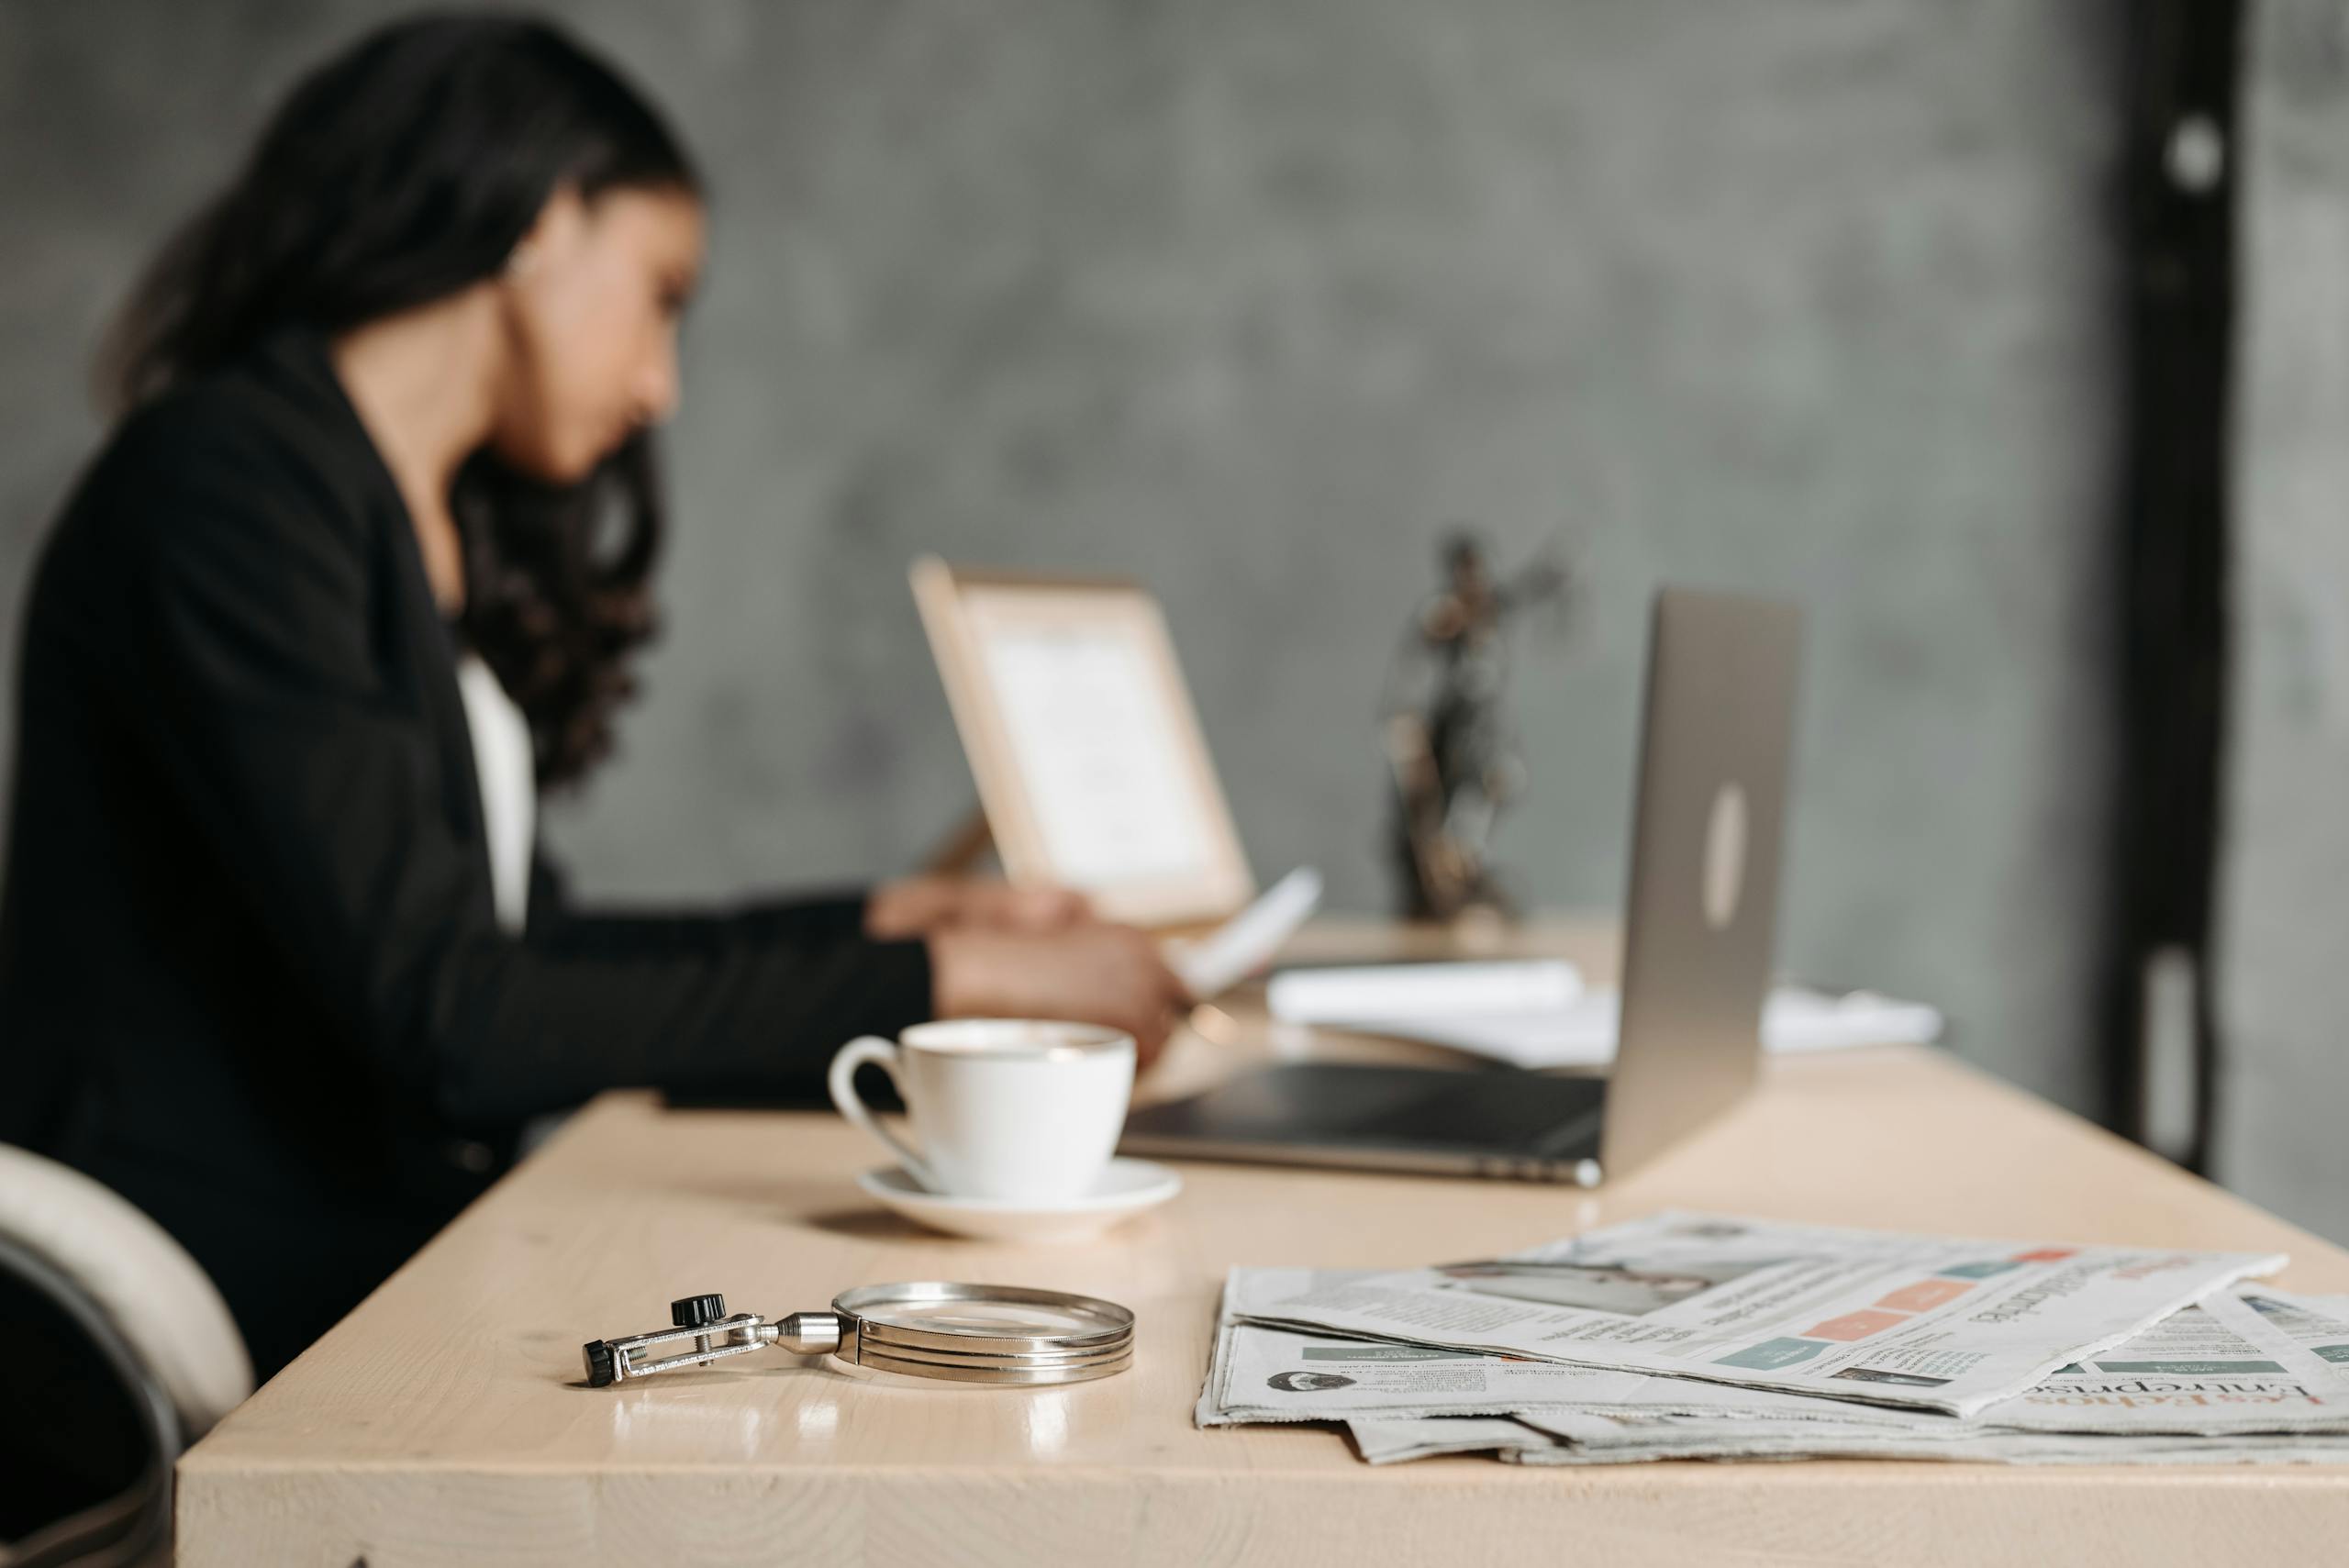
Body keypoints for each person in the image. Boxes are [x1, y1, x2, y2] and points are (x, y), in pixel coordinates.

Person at [0, 15, 1189, 1380]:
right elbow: (454, 1013)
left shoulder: (384, 507)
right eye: (661, 292)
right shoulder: (228, 491)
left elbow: (517, 942)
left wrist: (890, 920)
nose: (657, 383)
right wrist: (943, 979)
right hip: (208, 1277)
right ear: (539, 221)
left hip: (364, 1230)